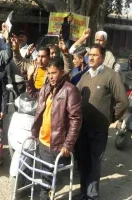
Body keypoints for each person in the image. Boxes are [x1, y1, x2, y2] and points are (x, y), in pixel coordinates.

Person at [75, 44, 128, 200]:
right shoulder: (85, 75)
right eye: (89, 55)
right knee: (83, 162)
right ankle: (83, 192)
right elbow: (76, 94)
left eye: (95, 55)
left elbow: (123, 102)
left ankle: (92, 196)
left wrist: (109, 119)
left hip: (98, 130)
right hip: (82, 128)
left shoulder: (111, 76)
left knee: (93, 164)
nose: (90, 57)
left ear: (103, 58)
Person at [28, 57, 82, 200]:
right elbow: (34, 96)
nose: (51, 76)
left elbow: (76, 119)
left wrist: (68, 144)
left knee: (47, 178)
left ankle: (44, 196)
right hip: (42, 140)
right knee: (42, 173)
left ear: (62, 72)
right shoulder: (46, 88)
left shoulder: (70, 90)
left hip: (56, 143)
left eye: (54, 73)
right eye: (49, 73)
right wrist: (29, 78)